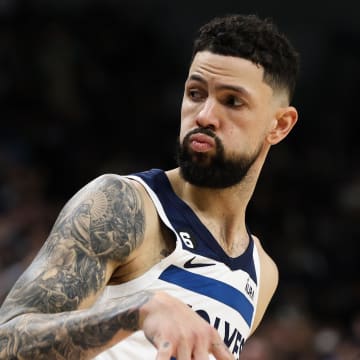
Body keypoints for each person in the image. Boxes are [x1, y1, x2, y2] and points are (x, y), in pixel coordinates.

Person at [0, 13, 299, 360]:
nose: (203, 115)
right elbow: (7, 343)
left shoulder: (262, 273)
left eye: (232, 101)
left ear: (279, 125)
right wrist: (136, 310)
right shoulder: (123, 205)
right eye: (195, 93)